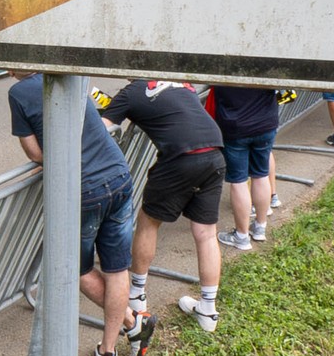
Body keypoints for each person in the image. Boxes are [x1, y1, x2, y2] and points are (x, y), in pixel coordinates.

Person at [8, 73, 152, 356]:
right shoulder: (70, 73)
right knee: (116, 268)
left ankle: (131, 322)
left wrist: (59, 159)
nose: (8, 73)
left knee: (77, 268)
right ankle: (109, 350)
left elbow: (35, 152)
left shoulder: (19, 93)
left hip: (84, 189)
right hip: (119, 176)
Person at [95, 79, 225, 332]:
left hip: (179, 158)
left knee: (148, 223)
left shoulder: (131, 92)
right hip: (214, 152)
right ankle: (208, 310)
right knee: (207, 233)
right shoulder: (180, 82)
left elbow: (102, 128)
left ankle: (136, 294)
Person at [211, 85, 279, 251]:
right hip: (266, 123)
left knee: (238, 181)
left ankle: (241, 236)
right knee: (261, 175)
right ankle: (260, 227)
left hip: (235, 126)